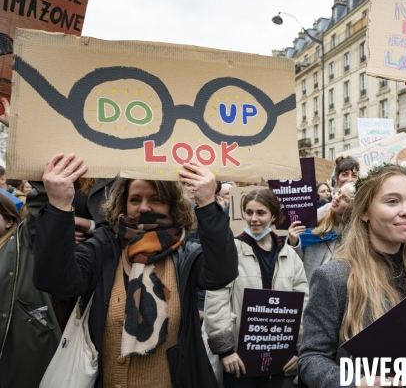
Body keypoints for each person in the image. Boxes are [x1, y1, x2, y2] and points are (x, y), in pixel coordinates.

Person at [32, 154, 238, 388]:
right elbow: (54, 281)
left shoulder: (186, 254)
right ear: (123, 204)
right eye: (135, 199)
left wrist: (208, 205)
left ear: (171, 205)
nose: (143, 207)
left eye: (156, 198)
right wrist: (59, 207)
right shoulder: (103, 248)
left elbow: (221, 273)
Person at [298, 163, 406, 387]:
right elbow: (312, 358)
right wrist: (356, 384)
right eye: (392, 201)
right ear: (364, 212)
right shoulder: (334, 277)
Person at [204, 188, 308, 388]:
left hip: (278, 356)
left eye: (261, 213)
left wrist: (296, 348)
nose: (253, 219)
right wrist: (225, 351)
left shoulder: (290, 255)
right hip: (238, 358)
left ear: (274, 216)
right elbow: (216, 300)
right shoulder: (230, 250)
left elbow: (302, 302)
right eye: (249, 212)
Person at [0, 190, 61, 388]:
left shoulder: (24, 240)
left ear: (9, 221)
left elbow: (39, 208)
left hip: (26, 341)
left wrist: (42, 180)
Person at [294, 182, 354, 282]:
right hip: (307, 287)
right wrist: (294, 242)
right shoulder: (314, 220)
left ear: (354, 207)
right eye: (338, 192)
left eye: (344, 198)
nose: (337, 198)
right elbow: (296, 261)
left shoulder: (357, 234)